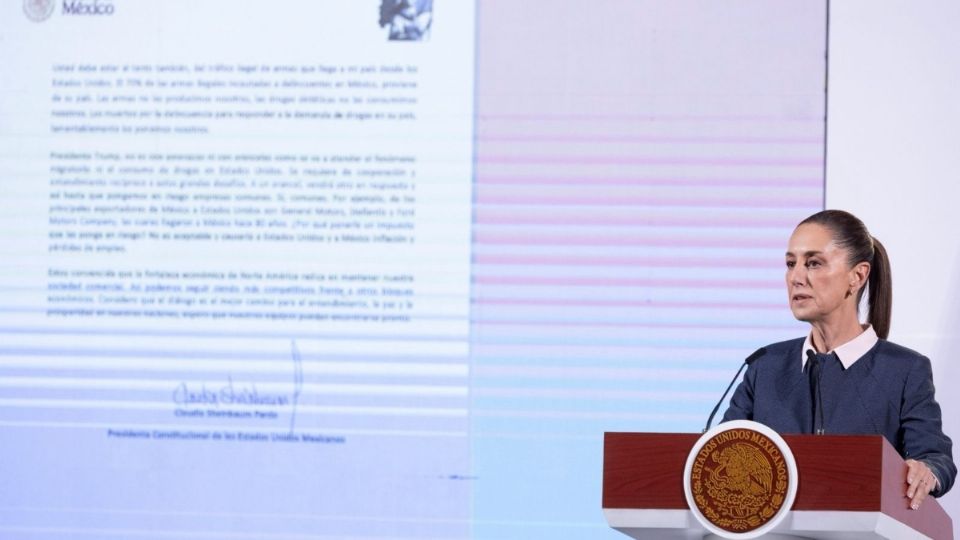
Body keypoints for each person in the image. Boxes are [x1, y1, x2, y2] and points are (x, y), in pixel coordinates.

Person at [723, 209, 956, 511]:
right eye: (790, 264)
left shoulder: (904, 370)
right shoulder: (764, 365)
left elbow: (935, 459)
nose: (795, 277)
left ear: (857, 276)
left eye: (814, 263)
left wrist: (926, 472)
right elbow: (718, 455)